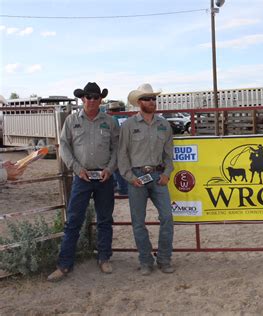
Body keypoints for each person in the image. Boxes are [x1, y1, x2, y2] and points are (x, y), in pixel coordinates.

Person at [47, 82, 119, 282]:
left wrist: (109, 169)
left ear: (101, 99)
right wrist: (78, 170)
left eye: (96, 97)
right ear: (82, 99)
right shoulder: (71, 121)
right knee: (73, 222)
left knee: (105, 220)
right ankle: (64, 265)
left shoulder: (110, 122)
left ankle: (104, 258)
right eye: (89, 97)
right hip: (82, 178)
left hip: (104, 177)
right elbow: (64, 148)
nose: (92, 100)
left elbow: (117, 149)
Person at [118, 83, 175, 276]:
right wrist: (130, 177)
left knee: (167, 217)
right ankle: (145, 260)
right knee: (138, 221)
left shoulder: (164, 125)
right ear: (139, 102)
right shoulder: (128, 126)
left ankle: (164, 259)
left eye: (153, 98)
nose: (152, 102)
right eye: (148, 99)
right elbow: (122, 154)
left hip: (159, 176)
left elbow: (169, 154)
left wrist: (167, 173)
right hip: (137, 177)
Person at [108, 101, 129, 196]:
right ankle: (123, 187)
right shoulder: (126, 117)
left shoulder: (112, 119)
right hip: (127, 144)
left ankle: (122, 188)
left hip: (117, 144)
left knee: (116, 168)